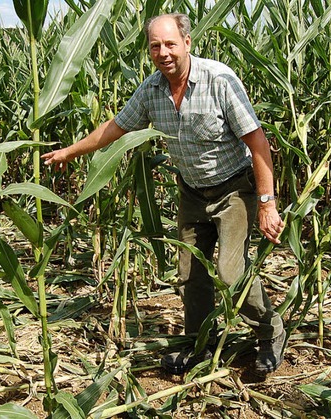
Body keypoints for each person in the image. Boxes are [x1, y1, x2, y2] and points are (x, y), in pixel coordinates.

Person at [42, 13, 286, 375]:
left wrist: (267, 203)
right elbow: (116, 127)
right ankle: (199, 344)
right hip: (192, 192)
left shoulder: (219, 80)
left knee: (231, 272)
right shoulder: (152, 89)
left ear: (187, 42)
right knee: (190, 274)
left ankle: (271, 332)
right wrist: (69, 152)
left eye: (170, 43)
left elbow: (258, 142)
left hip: (234, 188)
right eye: (155, 46)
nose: (163, 52)